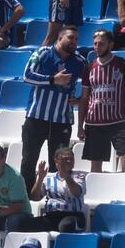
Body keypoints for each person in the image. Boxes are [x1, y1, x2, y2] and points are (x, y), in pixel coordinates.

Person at [20, 25, 85, 189]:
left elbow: (92, 83)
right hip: (36, 117)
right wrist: (52, 80)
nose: (74, 42)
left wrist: (81, 99)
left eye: (77, 39)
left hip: (61, 120)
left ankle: (57, 198)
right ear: (60, 37)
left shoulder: (80, 61)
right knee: (29, 159)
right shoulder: (42, 53)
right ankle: (26, 200)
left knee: (60, 162)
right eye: (70, 38)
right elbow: (26, 76)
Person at [78, 28, 125, 176]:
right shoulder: (89, 67)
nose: (97, 47)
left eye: (101, 44)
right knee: (96, 165)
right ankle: (97, 193)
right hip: (94, 123)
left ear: (110, 45)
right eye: (95, 44)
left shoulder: (123, 65)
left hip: (117, 121)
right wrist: (80, 126)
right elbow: (85, 98)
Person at [22, 146, 86, 233]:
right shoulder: (48, 177)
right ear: (56, 161)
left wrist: (65, 174)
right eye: (65, 159)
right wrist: (40, 179)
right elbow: (35, 197)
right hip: (52, 216)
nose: (69, 161)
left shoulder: (79, 176)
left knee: (66, 225)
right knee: (25, 225)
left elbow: (76, 193)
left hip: (73, 215)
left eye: (71, 159)